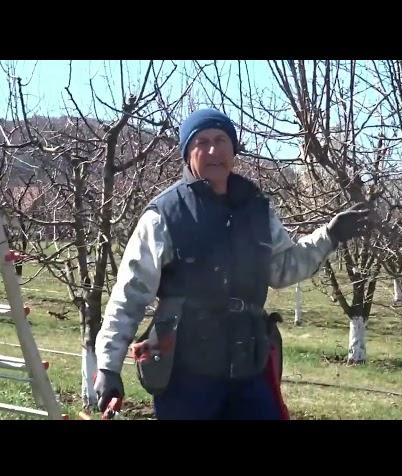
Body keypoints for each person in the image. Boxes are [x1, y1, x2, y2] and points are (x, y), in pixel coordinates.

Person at [94, 108, 369, 420]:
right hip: (186, 375)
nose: (213, 150)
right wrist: (108, 365)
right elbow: (130, 294)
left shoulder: (256, 208)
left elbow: (283, 268)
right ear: (187, 153)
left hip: (250, 366)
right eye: (202, 142)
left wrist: (330, 236)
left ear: (233, 149)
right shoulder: (164, 215)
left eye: (221, 140)